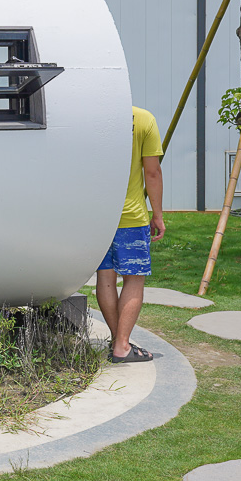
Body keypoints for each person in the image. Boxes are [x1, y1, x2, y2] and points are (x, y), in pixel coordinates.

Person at [95, 106, 165, 363]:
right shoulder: (144, 119)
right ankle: (122, 345)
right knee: (134, 280)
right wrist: (157, 214)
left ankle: (118, 341)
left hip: (97, 217)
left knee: (105, 279)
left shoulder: (95, 117)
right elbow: (152, 172)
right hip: (131, 217)